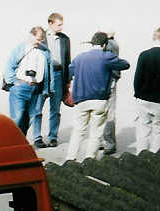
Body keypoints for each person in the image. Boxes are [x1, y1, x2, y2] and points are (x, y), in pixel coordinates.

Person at [65, 32, 129, 161]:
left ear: (91, 43)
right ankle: (89, 159)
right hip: (99, 100)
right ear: (104, 44)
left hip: (81, 98)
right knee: (96, 133)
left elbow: (70, 71)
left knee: (78, 131)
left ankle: (70, 158)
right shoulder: (106, 57)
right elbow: (125, 64)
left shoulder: (79, 58)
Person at [4, 26, 54, 141]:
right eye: (37, 39)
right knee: (17, 117)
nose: (39, 42)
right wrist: (14, 82)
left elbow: (49, 72)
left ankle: (21, 143)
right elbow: (9, 66)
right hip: (20, 87)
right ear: (31, 36)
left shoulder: (45, 51)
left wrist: (47, 89)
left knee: (31, 117)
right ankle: (10, 144)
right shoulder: (21, 48)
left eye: (41, 39)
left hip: (36, 89)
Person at [133, 27, 160, 154]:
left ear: (154, 38)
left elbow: (137, 78)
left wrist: (138, 94)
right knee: (159, 132)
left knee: (143, 130)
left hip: (143, 99)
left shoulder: (144, 55)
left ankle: (141, 157)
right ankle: (156, 159)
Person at [33, 12, 71, 148]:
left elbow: (67, 61)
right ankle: (37, 137)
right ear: (50, 23)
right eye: (59, 25)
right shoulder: (40, 38)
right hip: (43, 77)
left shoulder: (65, 39)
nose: (61, 27)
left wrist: (67, 82)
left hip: (59, 75)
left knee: (55, 109)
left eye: (62, 24)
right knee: (37, 108)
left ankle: (53, 136)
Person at [101, 28, 120, 155]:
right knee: (108, 112)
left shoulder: (109, 45)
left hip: (107, 82)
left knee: (107, 114)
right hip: (110, 81)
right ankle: (107, 142)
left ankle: (108, 143)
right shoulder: (114, 44)